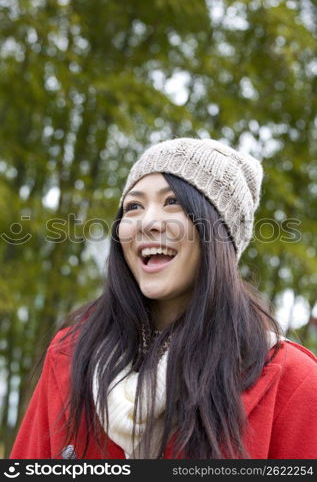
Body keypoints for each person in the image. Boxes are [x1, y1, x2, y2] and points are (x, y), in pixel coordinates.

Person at [10, 138, 317, 460]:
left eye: (173, 202)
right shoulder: (69, 356)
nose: (148, 222)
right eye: (134, 207)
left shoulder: (293, 380)